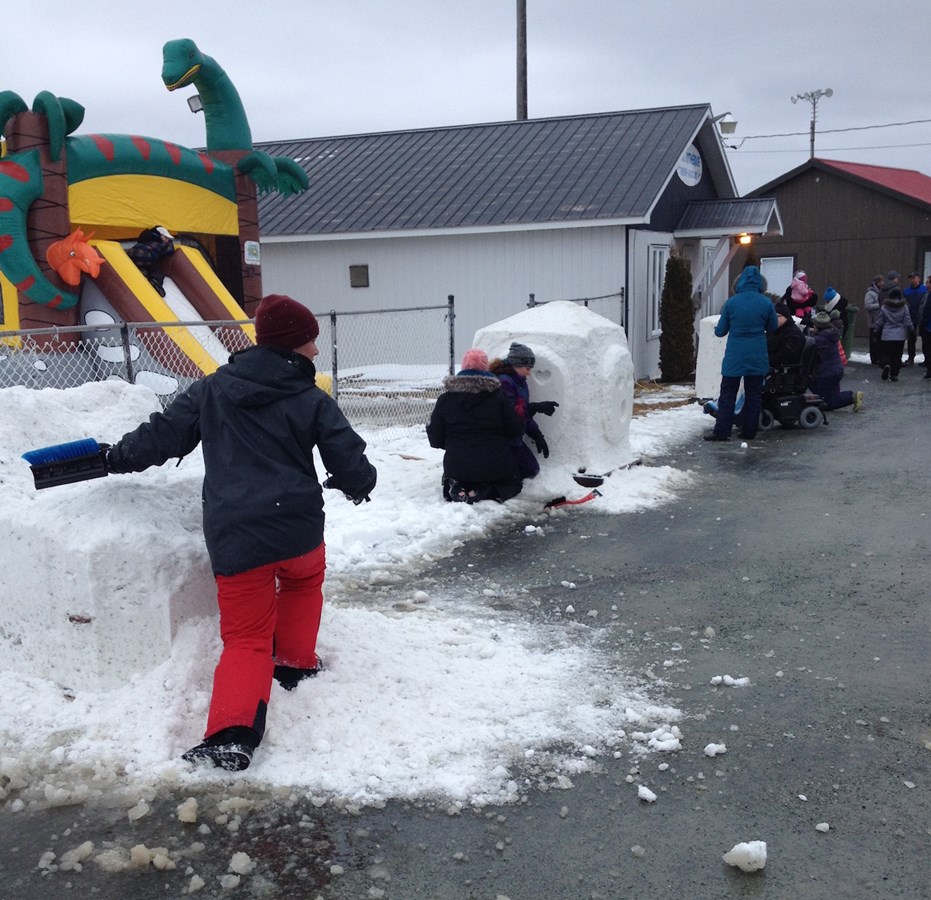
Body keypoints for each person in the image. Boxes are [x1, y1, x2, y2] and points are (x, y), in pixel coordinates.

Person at [103, 294, 377, 771]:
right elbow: (348, 458)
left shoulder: (212, 389)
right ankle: (294, 664)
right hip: (298, 528)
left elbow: (162, 435)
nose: (316, 350)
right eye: (311, 340)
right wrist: (359, 482)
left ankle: (233, 732)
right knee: (302, 583)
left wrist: (115, 456)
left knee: (247, 637)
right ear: (295, 344)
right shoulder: (310, 398)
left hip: (238, 535)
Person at [426, 348, 525, 503]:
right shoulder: (498, 396)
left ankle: (456, 485)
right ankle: (488, 490)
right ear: (485, 368)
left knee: (462, 473)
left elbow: (435, 439)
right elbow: (515, 429)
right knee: (514, 483)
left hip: (456, 466)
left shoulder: (446, 399)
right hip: (494, 466)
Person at [705, 266, 778, 442]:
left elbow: (721, 331)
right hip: (757, 355)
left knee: (728, 393)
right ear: (760, 284)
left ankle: (722, 431)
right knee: (753, 394)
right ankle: (749, 431)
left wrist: (720, 328)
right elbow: (773, 327)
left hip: (735, 356)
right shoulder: (766, 303)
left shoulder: (731, 303)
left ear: (739, 283)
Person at [489, 342, 559, 479]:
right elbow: (511, 413)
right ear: (517, 364)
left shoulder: (520, 382)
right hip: (501, 439)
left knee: (531, 469)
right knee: (522, 471)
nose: (529, 372)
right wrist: (536, 407)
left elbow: (522, 415)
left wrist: (536, 434)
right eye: (528, 368)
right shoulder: (504, 382)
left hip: (514, 439)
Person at [810, 310, 862, 411]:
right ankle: (849, 396)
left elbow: (808, 342)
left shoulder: (821, 339)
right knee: (830, 394)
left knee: (826, 403)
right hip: (835, 370)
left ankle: (852, 396)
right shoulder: (831, 333)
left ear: (817, 326)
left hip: (827, 373)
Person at [873, 286, 913, 382]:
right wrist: (911, 329)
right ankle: (894, 374)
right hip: (900, 335)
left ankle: (886, 364)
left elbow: (880, 321)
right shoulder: (904, 307)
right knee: (897, 355)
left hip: (887, 334)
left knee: (886, 352)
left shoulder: (884, 307)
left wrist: (876, 330)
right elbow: (907, 320)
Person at [127, 225, 175, 297]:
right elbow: (168, 251)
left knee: (142, 265)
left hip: (132, 254)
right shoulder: (159, 243)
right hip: (146, 256)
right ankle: (155, 281)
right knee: (156, 269)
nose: (167, 240)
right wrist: (170, 243)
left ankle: (143, 271)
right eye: (166, 238)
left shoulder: (144, 239)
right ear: (161, 236)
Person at [766, 300, 806, 368]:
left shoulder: (794, 334)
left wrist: (764, 361)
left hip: (782, 372)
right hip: (767, 366)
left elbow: (785, 356)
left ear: (785, 316)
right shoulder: (773, 330)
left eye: (777, 316)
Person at [902, 273, 928, 366]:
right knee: (911, 339)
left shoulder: (924, 290)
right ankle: (911, 357)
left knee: (925, 339)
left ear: (918, 279)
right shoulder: (906, 291)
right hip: (911, 317)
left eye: (914, 278)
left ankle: (927, 359)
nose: (912, 280)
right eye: (911, 278)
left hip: (922, 317)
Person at [864, 275, 885, 366]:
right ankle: (874, 358)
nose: (883, 283)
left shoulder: (880, 292)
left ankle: (879, 357)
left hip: (879, 320)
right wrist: (879, 305)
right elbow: (867, 305)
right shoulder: (870, 293)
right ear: (877, 283)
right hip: (873, 321)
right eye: (881, 282)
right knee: (874, 340)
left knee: (879, 340)